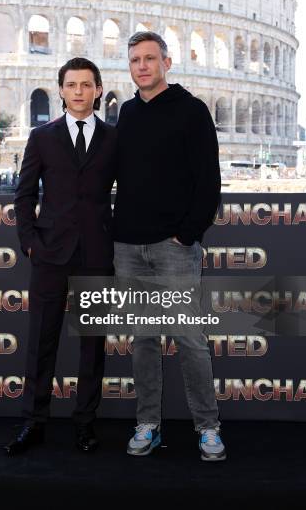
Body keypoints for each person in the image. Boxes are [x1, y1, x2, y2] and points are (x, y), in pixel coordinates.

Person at [113, 31, 225, 461]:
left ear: (167, 62)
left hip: (173, 247)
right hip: (128, 245)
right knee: (143, 339)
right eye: (135, 60)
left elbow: (208, 180)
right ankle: (148, 424)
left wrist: (187, 233)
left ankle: (208, 427)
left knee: (189, 338)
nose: (142, 66)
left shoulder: (192, 110)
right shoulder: (126, 113)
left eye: (149, 59)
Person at [6, 57, 116, 455]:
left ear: (98, 90)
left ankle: (85, 424)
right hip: (50, 254)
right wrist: (30, 241)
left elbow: (133, 192)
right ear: (62, 91)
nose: (79, 91)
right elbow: (24, 194)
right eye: (72, 85)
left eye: (87, 85)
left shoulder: (113, 138)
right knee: (41, 342)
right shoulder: (42, 137)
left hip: (97, 254)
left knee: (92, 344)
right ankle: (33, 423)